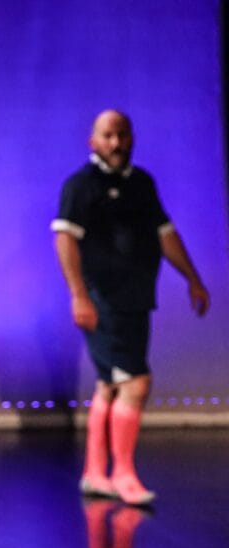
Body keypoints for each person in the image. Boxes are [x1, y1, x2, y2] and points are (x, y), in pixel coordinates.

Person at [52, 109, 210, 505]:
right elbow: (65, 240)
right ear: (93, 142)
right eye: (108, 135)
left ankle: (94, 472)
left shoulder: (142, 184)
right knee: (136, 383)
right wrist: (78, 295)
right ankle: (123, 474)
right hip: (102, 300)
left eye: (122, 134)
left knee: (110, 385)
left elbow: (164, 232)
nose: (116, 142)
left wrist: (192, 277)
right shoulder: (81, 186)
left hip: (136, 298)